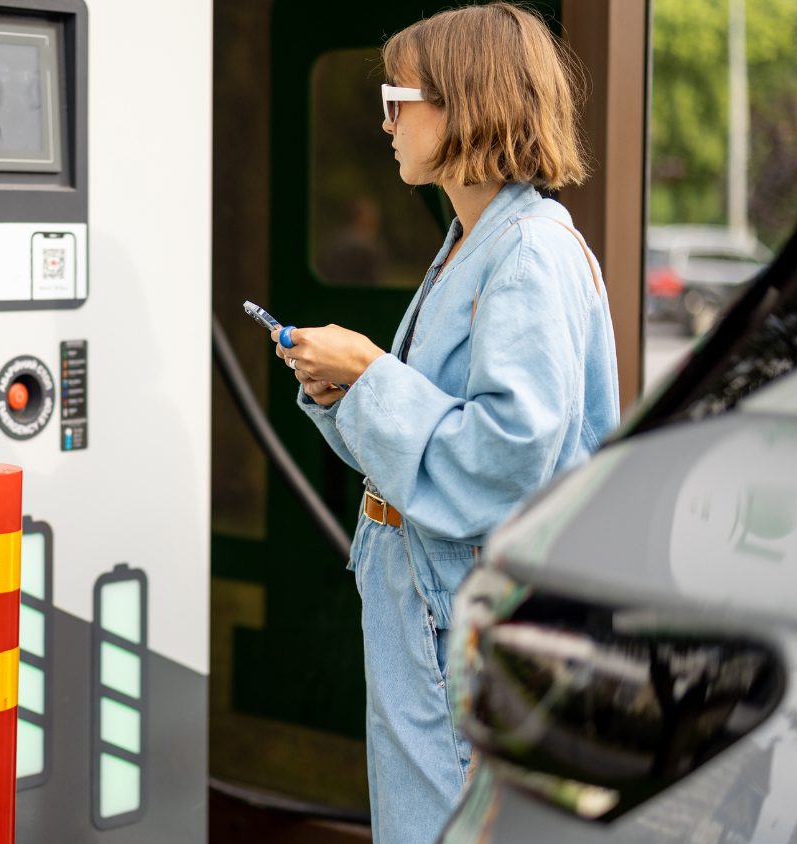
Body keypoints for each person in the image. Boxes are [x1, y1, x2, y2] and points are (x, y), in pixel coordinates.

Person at [273, 5, 619, 843]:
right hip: (431, 604)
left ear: (467, 104)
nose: (385, 122)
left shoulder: (527, 253)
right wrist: (342, 394)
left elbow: (506, 457)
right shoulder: (474, 241)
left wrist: (370, 373)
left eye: (397, 99)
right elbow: (432, 435)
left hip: (458, 620)